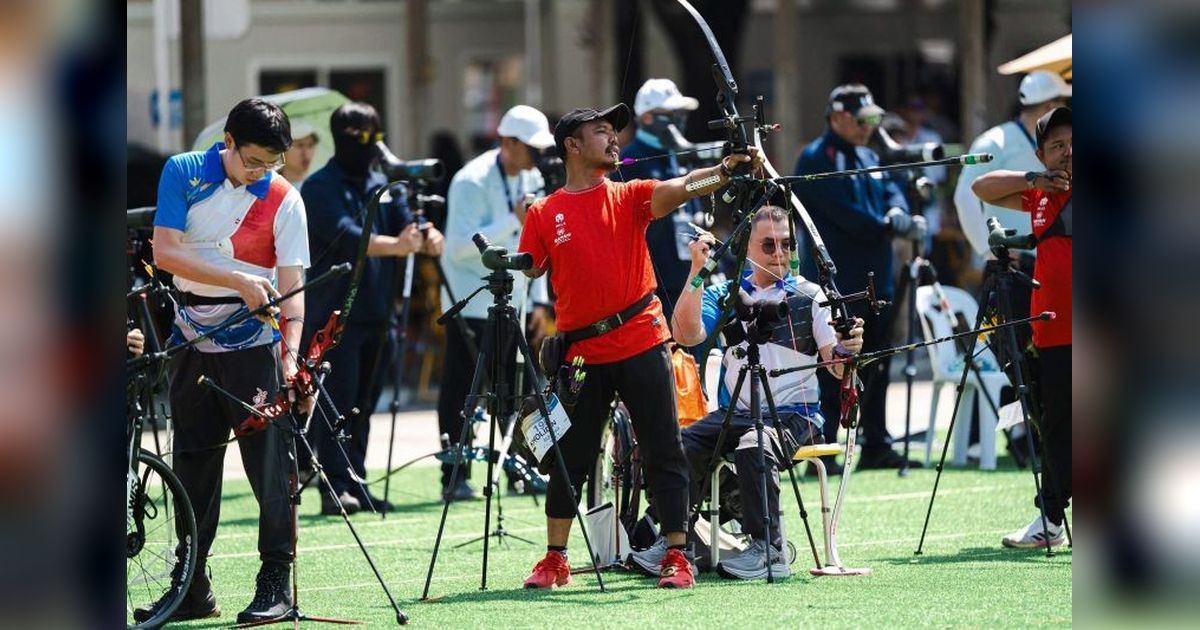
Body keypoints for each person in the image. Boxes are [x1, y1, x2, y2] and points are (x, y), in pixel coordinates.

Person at [517, 103, 762, 590]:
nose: (614, 139)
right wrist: (511, 258)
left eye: (615, 132)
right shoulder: (545, 212)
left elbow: (683, 187)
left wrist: (725, 169)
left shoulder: (631, 195)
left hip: (641, 340)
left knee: (663, 448)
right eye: (602, 131)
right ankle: (554, 558)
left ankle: (675, 553)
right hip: (582, 354)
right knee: (571, 453)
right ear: (572, 145)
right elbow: (530, 267)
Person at [626, 206, 863, 580]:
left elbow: (836, 367)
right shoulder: (727, 292)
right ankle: (678, 543)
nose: (780, 254)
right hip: (735, 412)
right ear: (746, 250)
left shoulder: (811, 295)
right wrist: (696, 271)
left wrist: (850, 348)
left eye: (786, 244)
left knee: (756, 442)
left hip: (794, 415)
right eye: (768, 245)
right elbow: (686, 336)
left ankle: (769, 549)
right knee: (680, 445)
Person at [143, 98, 311, 624]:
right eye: (254, 161)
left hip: (255, 345)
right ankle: (192, 583)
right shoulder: (184, 171)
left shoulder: (285, 199)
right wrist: (238, 278)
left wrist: (291, 356)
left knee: (269, 469)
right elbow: (165, 252)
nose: (263, 172)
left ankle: (275, 584)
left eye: (273, 163)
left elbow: (293, 291)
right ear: (228, 143)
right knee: (192, 464)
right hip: (191, 336)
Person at [301, 101, 444, 516]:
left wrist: (426, 234)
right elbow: (347, 236)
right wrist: (399, 246)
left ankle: (356, 480)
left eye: (373, 137)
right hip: (335, 315)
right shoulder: (321, 186)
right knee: (339, 401)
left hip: (380, 311)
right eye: (359, 138)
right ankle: (334, 487)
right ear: (342, 139)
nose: (367, 147)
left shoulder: (384, 184)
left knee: (365, 402)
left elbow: (405, 224)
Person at [793, 84, 925, 471]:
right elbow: (841, 211)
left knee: (879, 363)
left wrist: (901, 210)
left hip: (877, 278)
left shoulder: (869, 154)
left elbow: (892, 188)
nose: (869, 126)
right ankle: (828, 444)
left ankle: (877, 443)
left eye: (872, 119)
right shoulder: (816, 157)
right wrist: (888, 225)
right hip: (838, 283)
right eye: (861, 119)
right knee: (836, 364)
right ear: (837, 117)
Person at [438, 105, 553, 501]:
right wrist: (511, 218)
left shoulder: (531, 175)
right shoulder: (470, 180)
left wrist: (538, 300)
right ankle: (453, 475)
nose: (537, 158)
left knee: (516, 389)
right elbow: (455, 249)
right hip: (471, 301)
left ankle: (518, 470)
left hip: (516, 300)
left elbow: (537, 245)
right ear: (507, 142)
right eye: (531, 148)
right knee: (463, 390)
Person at [971, 107, 1072, 549]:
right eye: (1057, 146)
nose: (1069, 153)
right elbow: (981, 186)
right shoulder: (1039, 195)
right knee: (1054, 424)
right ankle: (1050, 521)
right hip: (1051, 329)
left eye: (1074, 144)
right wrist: (1036, 180)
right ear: (1041, 154)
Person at [611, 78, 704, 323]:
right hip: (652, 288)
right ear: (648, 118)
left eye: (681, 113)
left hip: (687, 277)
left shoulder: (678, 155)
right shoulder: (629, 160)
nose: (679, 119)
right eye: (671, 113)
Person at [954, 71, 1071, 259]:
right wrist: (988, 250)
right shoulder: (994, 142)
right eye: (1064, 104)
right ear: (1050, 107)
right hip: (1012, 265)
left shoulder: (1061, 145)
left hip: (1050, 261)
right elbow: (965, 196)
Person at [278, 121, 319, 186]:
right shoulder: (266, 187)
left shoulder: (319, 187)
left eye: (310, 145)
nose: (306, 153)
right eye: (300, 145)